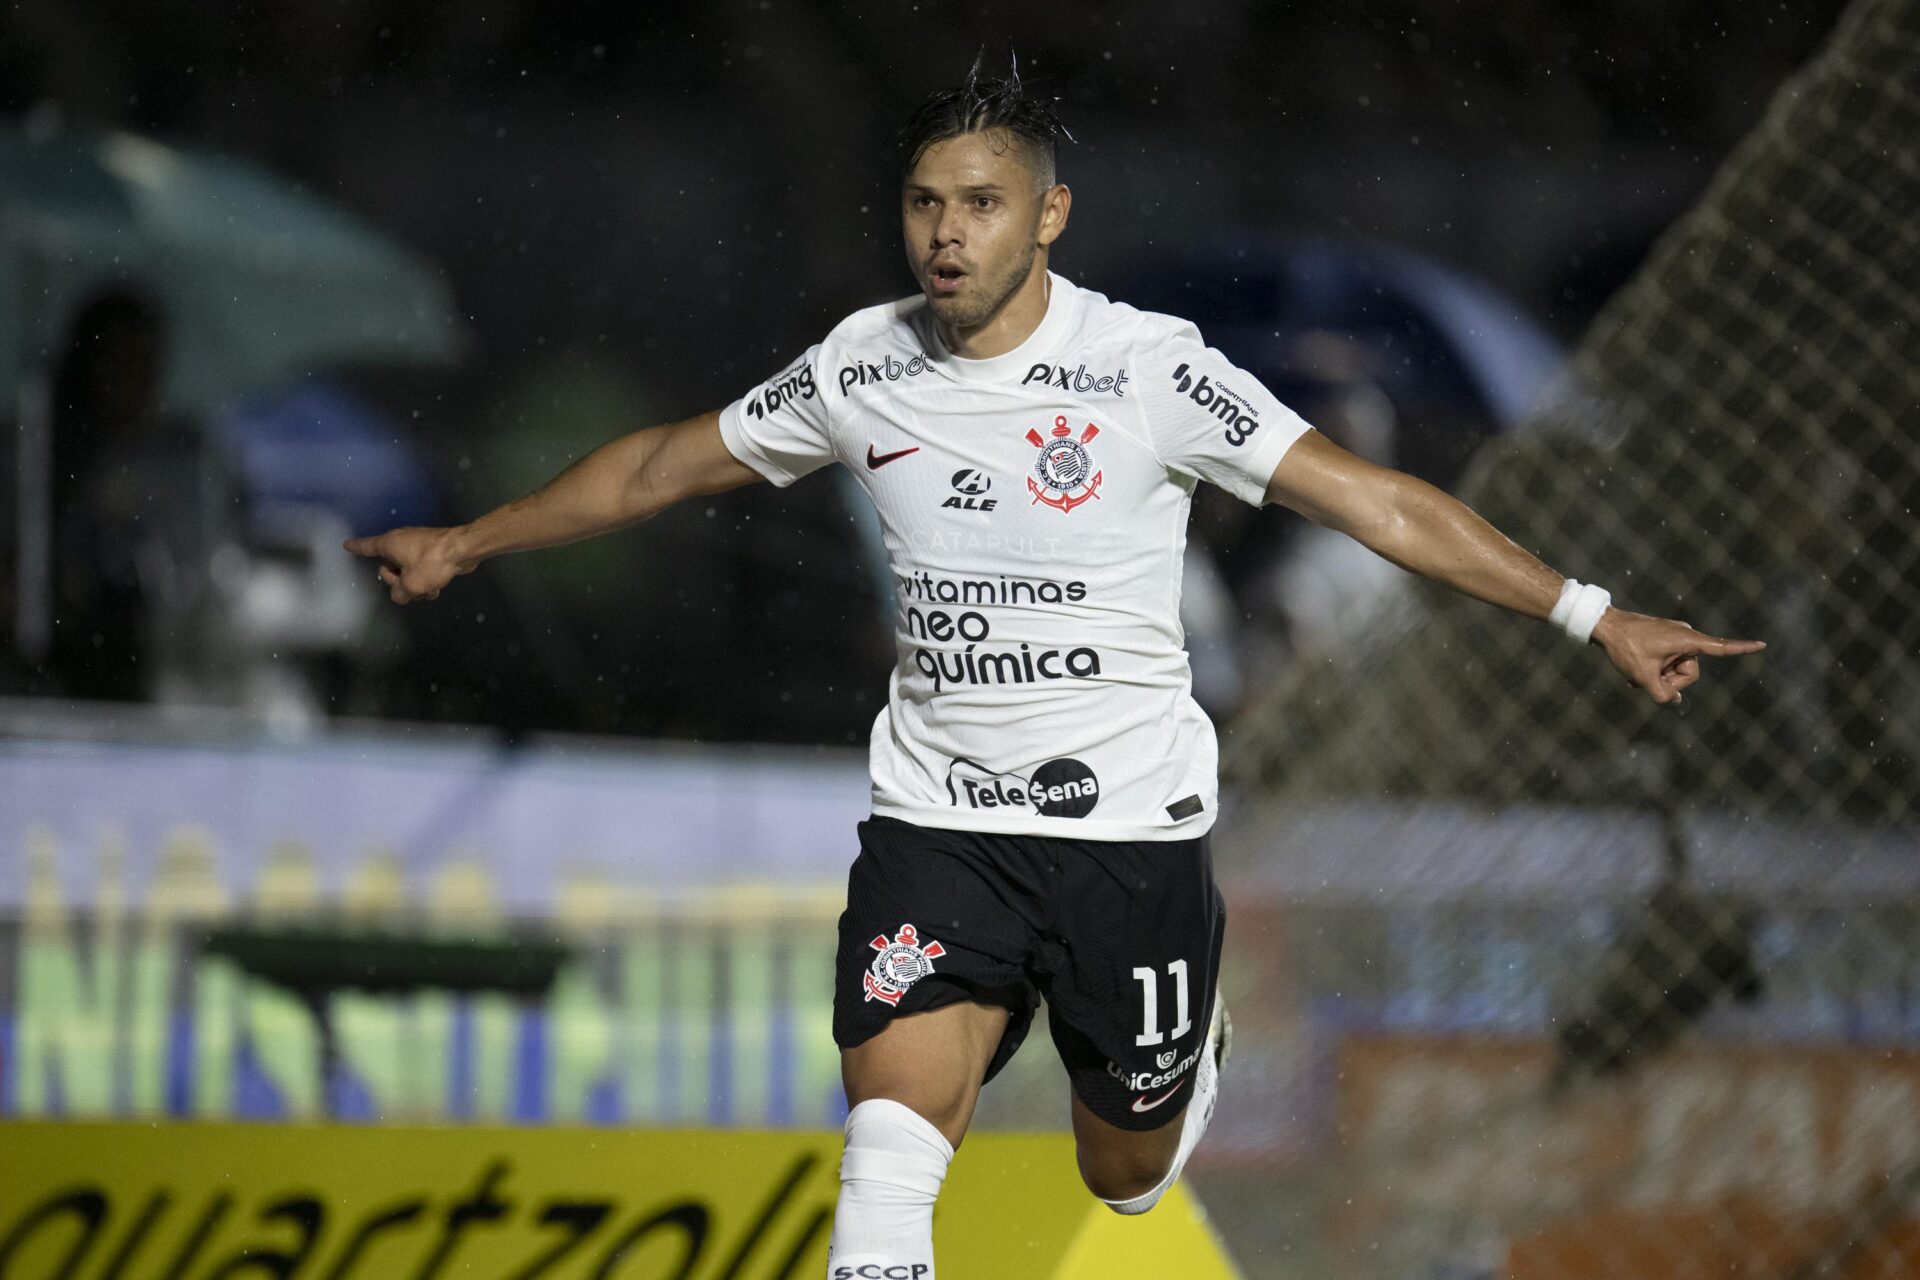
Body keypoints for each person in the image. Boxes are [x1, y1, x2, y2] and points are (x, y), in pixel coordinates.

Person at [346, 67, 1764, 1279]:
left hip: (1125, 839)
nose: (946, 236)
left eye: (980, 205)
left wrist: (1591, 613)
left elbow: (1370, 502)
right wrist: (472, 542)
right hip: (938, 828)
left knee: (1122, 1172)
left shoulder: (1150, 371)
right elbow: (666, 459)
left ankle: (1168, 1076)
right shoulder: (863, 366)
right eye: (924, 205)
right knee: (887, 1166)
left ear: (1049, 217)